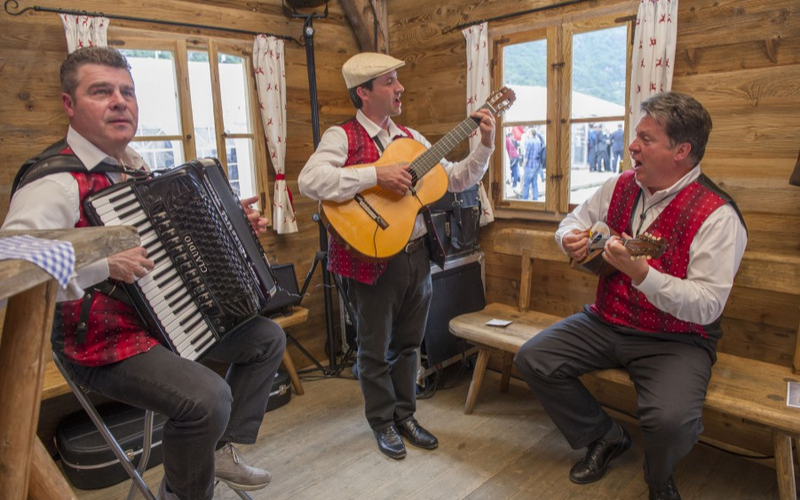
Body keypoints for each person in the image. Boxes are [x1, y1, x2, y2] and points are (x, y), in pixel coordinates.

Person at [2, 47, 286, 500]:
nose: (120, 101)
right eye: (101, 91)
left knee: (266, 338)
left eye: (127, 92)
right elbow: (10, 265)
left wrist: (232, 228)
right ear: (69, 105)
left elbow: (171, 245)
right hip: (100, 345)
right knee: (206, 398)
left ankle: (214, 452)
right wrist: (100, 262)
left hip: (161, 320)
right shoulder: (52, 182)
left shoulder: (133, 166)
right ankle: (186, 490)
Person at [513, 92, 747, 500]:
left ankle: (659, 482)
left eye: (645, 138)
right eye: (635, 136)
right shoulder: (618, 184)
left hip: (677, 339)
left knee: (671, 421)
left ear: (681, 151)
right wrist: (566, 237)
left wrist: (642, 275)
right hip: (606, 320)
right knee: (534, 359)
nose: (632, 147)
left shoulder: (718, 215)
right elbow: (573, 220)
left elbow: (708, 305)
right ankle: (605, 436)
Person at [298, 52, 495, 460]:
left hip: (416, 255)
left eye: (397, 80)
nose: (400, 88)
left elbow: (456, 177)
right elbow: (310, 180)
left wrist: (486, 146)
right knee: (373, 349)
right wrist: (375, 174)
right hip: (369, 259)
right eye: (389, 82)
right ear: (364, 93)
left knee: (408, 345)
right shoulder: (342, 137)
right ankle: (381, 422)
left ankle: (406, 416)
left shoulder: (413, 138)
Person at [520, 127, 544, 200]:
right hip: (536, 165)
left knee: (526, 184)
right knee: (534, 183)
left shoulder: (528, 142)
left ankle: (525, 199)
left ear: (530, 133)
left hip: (529, 165)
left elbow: (526, 156)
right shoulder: (538, 142)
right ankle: (535, 199)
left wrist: (523, 164)